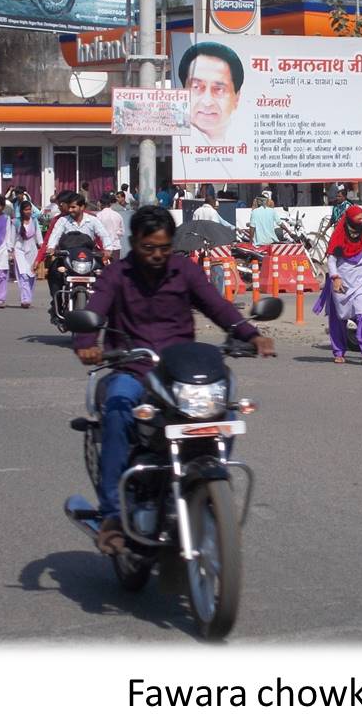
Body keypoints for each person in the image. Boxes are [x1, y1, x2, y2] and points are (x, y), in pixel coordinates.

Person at [73, 206, 276, 552]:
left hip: (180, 375)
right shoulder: (117, 275)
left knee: (224, 411)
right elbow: (97, 307)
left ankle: (209, 479)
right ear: (133, 242)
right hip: (133, 370)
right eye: (148, 247)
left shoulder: (185, 271)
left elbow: (217, 305)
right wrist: (86, 343)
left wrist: (251, 334)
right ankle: (111, 516)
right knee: (119, 409)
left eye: (164, 247)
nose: (156, 255)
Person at [314, 205, 362, 364]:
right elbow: (331, 261)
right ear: (350, 220)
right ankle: (339, 351)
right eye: (359, 219)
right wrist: (335, 277)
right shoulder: (339, 238)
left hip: (361, 283)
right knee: (339, 317)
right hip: (341, 283)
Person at [44, 193, 107, 317]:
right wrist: (51, 248)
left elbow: (104, 235)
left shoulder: (92, 220)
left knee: (106, 275)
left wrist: (108, 249)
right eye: (70, 207)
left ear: (82, 207)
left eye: (73, 207)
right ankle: (57, 304)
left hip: (88, 258)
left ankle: (103, 308)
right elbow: (55, 235)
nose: (70, 210)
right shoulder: (63, 220)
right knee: (53, 273)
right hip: (66, 257)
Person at [180, 41, 244, 144]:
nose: (207, 102)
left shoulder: (244, 138)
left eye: (219, 89)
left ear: (236, 98)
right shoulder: (178, 142)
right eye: (197, 87)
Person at [13, 200, 42, 309]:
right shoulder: (16, 222)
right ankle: (25, 299)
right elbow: (12, 237)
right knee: (23, 275)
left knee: (31, 275)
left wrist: (43, 247)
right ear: (21, 211)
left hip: (32, 250)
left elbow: (39, 236)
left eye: (30, 209)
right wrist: (10, 250)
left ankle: (28, 297)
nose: (28, 212)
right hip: (19, 249)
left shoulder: (34, 221)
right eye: (26, 210)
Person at [95, 193, 124, 264]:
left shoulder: (98, 216)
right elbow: (122, 232)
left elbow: (95, 233)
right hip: (115, 247)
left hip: (103, 248)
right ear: (110, 204)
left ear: (101, 204)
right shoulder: (118, 215)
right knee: (115, 270)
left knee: (103, 270)